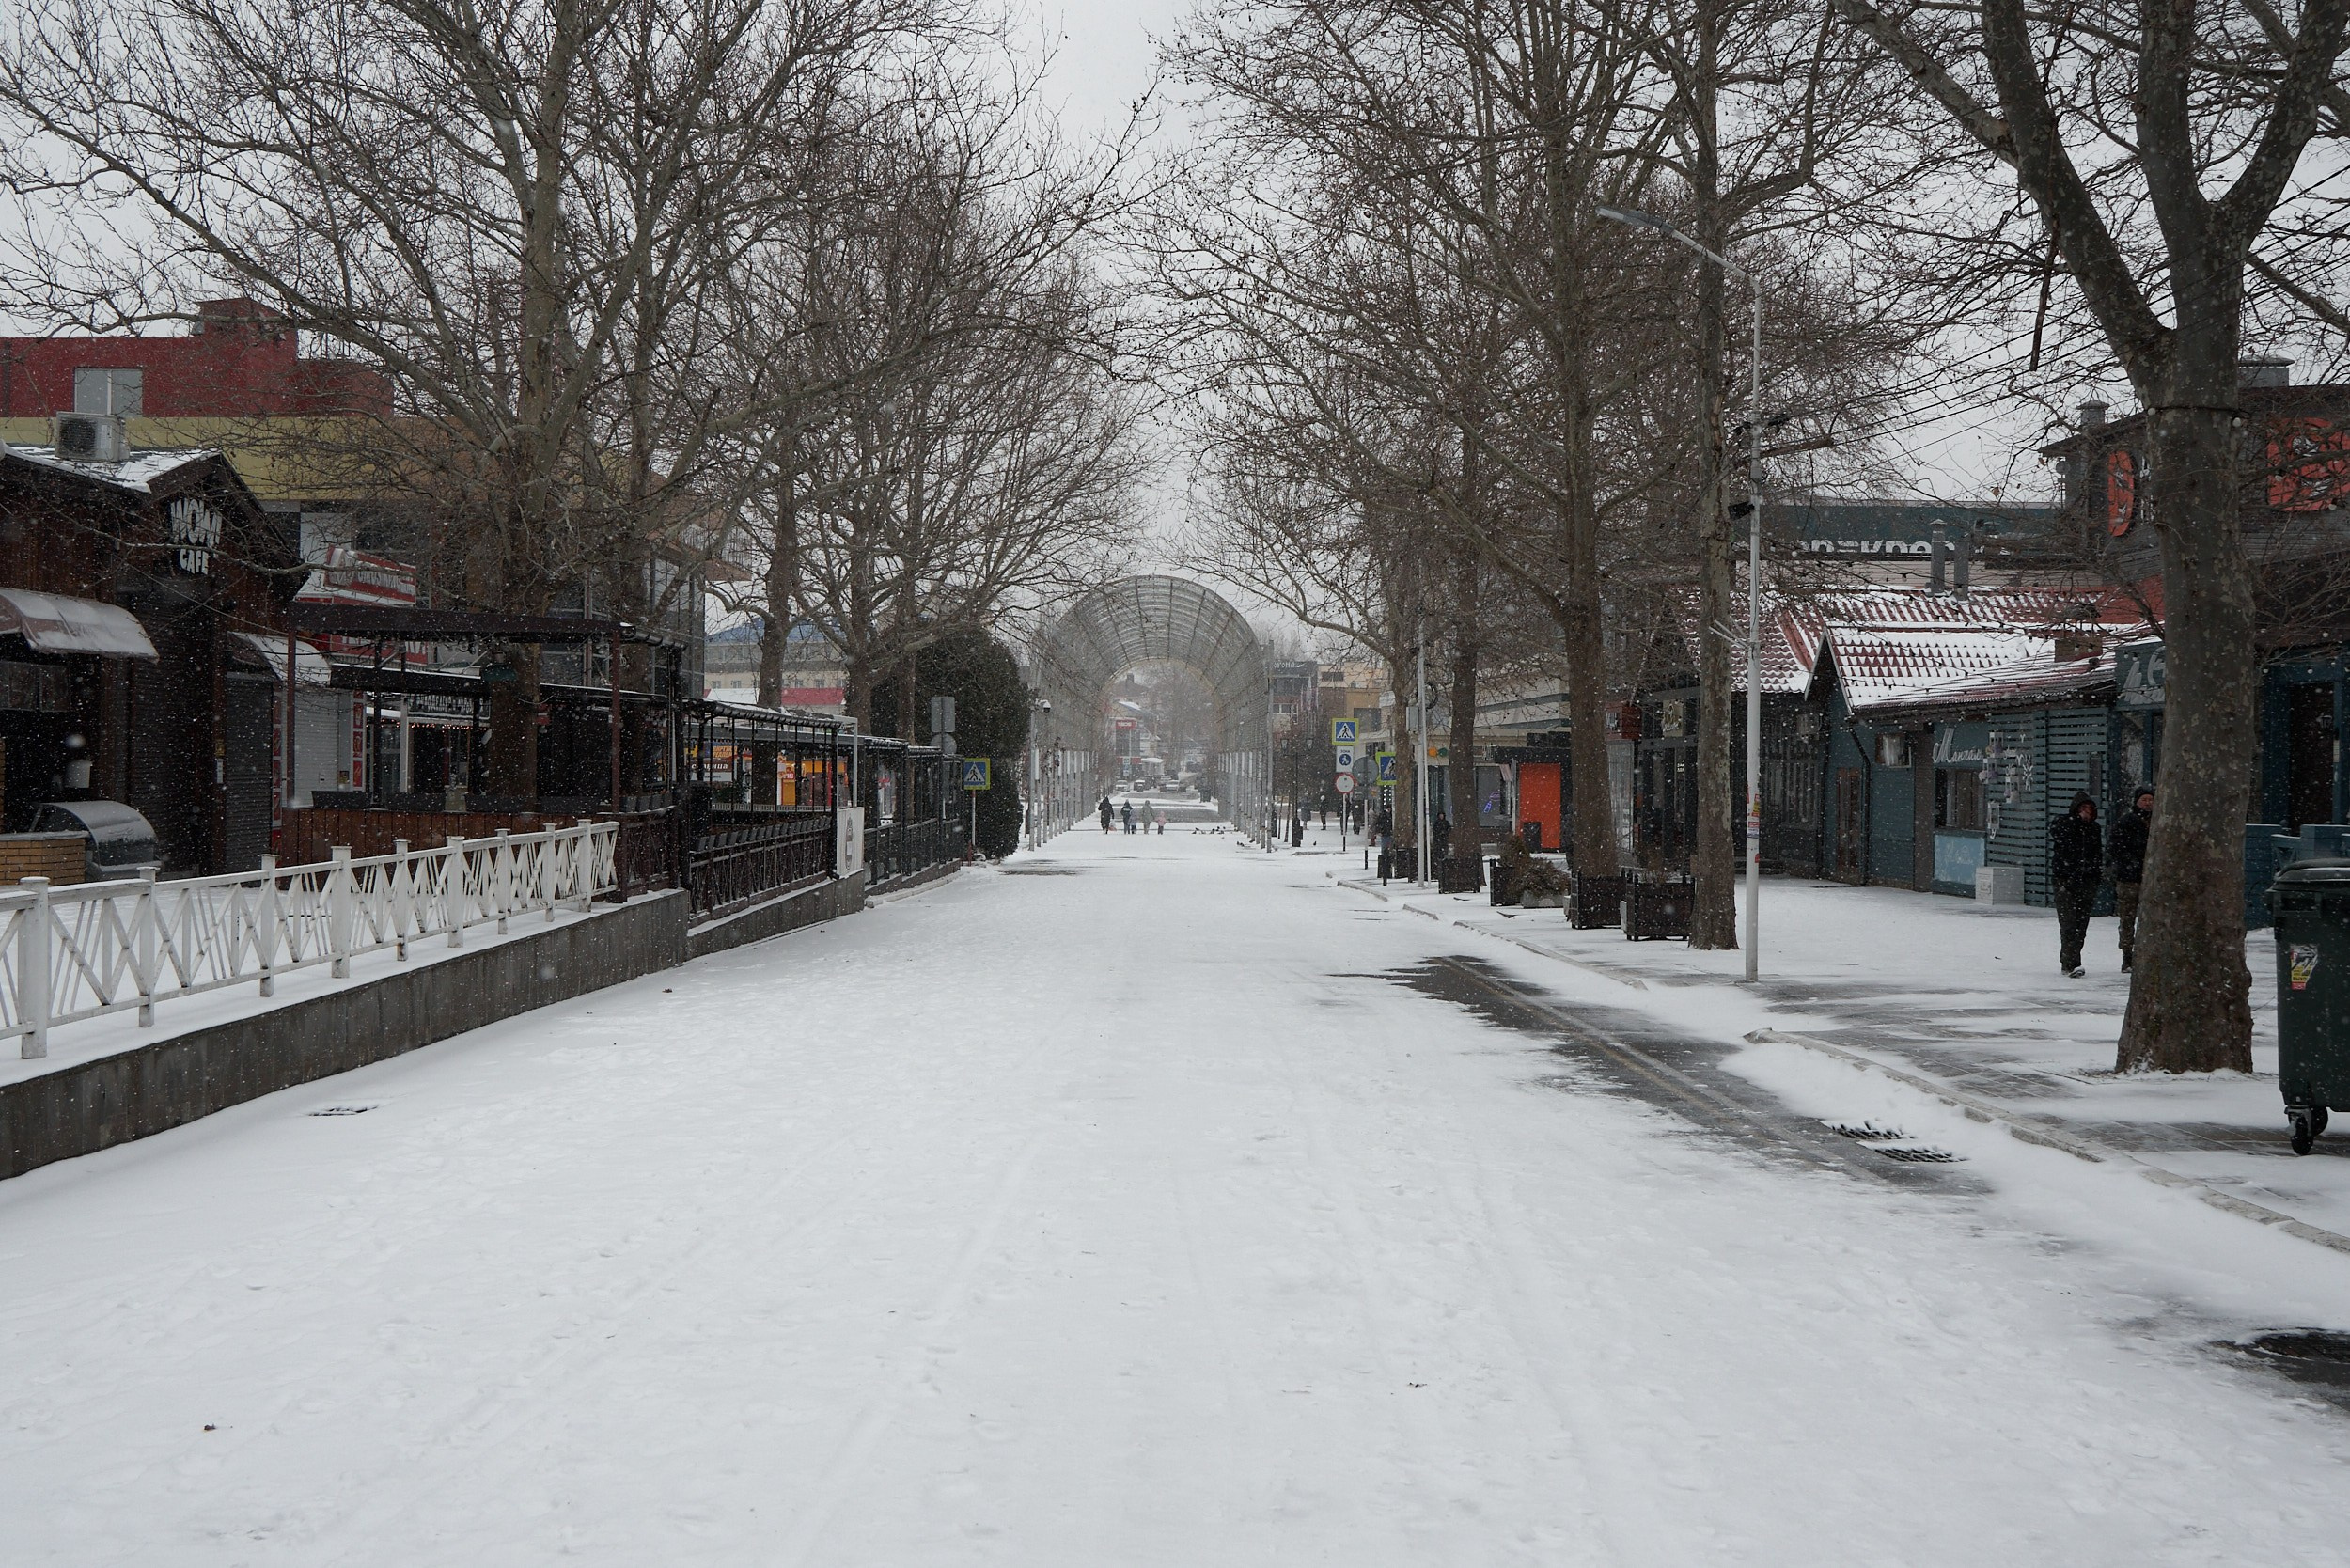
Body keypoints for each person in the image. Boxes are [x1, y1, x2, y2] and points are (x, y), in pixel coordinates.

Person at [2050, 790, 2105, 977]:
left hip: (2086, 881)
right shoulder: (2064, 824)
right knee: (2068, 923)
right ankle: (2071, 961)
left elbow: (2097, 854)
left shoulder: (2094, 829)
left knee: (2081, 925)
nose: (2087, 812)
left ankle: (2072, 958)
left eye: (2089, 809)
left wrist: (2096, 875)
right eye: (2083, 809)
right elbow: (2058, 835)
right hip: (2065, 880)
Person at [2107, 787, 2154, 970]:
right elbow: (2116, 848)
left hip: (2149, 878)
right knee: (2127, 918)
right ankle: (2127, 955)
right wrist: (2129, 864)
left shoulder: (2159, 821)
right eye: (2145, 799)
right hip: (2129, 878)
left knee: (2149, 918)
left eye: (2151, 799)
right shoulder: (2126, 822)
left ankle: (2145, 953)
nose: (2148, 803)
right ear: (2137, 801)